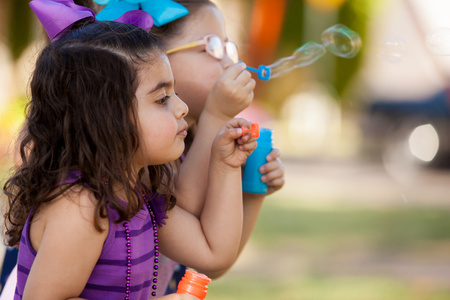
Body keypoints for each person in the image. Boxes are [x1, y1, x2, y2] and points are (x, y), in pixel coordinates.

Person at [2, 2, 257, 299]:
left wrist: (226, 165)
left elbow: (213, 252)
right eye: (162, 99)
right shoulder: (81, 207)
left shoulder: (140, 193)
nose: (182, 107)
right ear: (106, 116)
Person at [94, 0, 286, 288]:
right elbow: (180, 205)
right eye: (212, 47)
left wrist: (252, 191)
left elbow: (211, 256)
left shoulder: (190, 145)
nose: (231, 63)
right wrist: (217, 113)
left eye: (229, 47)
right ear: (155, 56)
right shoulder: (133, 160)